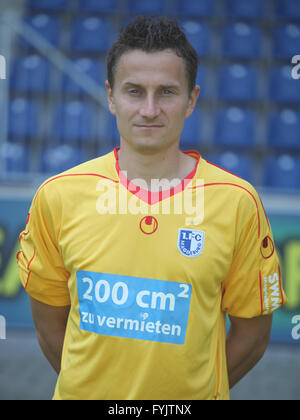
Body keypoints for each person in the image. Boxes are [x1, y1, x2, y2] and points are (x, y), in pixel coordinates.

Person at [17, 16, 287, 400]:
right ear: (110, 96)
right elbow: (49, 325)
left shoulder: (236, 201)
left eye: (166, 92)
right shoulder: (58, 195)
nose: (148, 109)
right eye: (134, 91)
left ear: (191, 100)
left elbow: (253, 334)